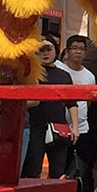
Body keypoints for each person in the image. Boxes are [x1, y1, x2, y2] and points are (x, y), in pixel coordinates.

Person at [25, 37, 79, 181]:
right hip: (35, 127)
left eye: (49, 49)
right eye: (41, 50)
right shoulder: (30, 74)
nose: (45, 54)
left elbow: (72, 103)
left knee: (58, 172)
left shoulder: (64, 75)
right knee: (32, 170)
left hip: (58, 126)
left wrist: (75, 127)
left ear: (56, 51)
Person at [55, 35, 97, 192]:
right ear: (67, 51)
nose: (78, 52)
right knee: (62, 167)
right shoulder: (60, 70)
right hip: (62, 128)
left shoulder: (90, 76)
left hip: (83, 127)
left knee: (85, 166)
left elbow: (89, 103)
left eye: (81, 49)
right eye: (74, 48)